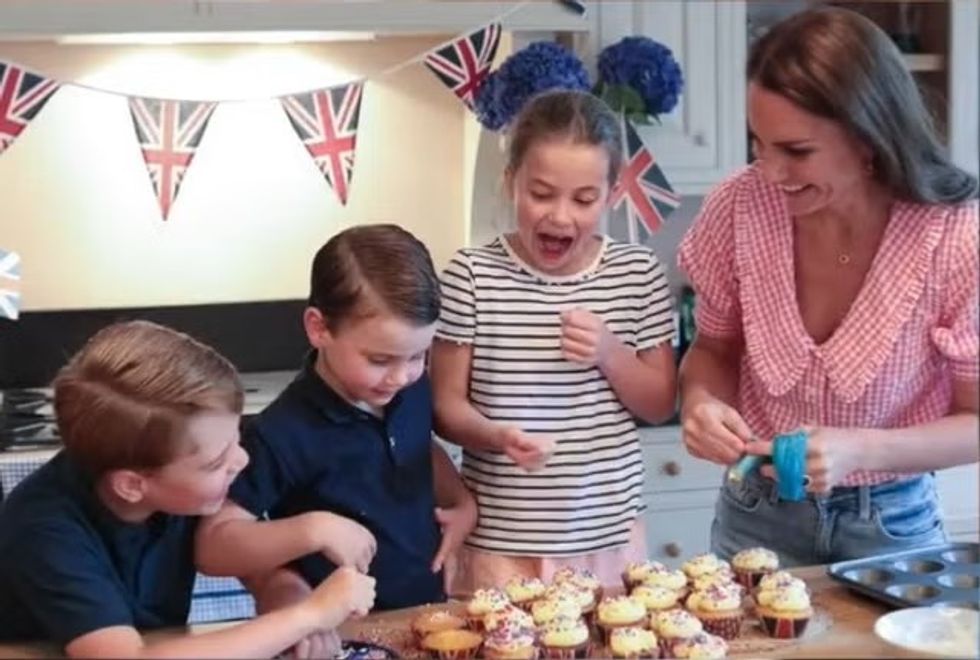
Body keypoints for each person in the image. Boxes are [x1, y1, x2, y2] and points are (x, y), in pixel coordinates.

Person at [678, 7, 979, 566]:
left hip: (891, 523)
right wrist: (700, 402)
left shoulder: (955, 237)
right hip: (754, 509)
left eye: (796, 151)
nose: (771, 172)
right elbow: (714, 347)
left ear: (869, 138)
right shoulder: (737, 207)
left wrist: (865, 449)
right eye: (758, 144)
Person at [0, 320, 375, 657]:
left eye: (237, 438)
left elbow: (261, 571)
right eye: (216, 461)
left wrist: (289, 602)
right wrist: (308, 615)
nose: (241, 460)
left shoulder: (184, 489)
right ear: (131, 485)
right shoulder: (42, 527)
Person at [431, 89, 678, 593]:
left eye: (584, 199)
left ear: (611, 194)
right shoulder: (472, 277)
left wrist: (609, 353)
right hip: (500, 545)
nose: (560, 216)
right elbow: (444, 408)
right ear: (510, 182)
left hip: (608, 540)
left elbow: (659, 404)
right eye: (541, 193)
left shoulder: (638, 274)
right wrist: (498, 436)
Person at [197, 224, 477, 612]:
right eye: (379, 360)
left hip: (424, 614)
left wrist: (461, 503)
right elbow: (212, 545)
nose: (400, 376)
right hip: (340, 629)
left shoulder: (410, 389)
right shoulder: (281, 432)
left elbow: (418, 447)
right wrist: (311, 529)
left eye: (417, 356)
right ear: (319, 328)